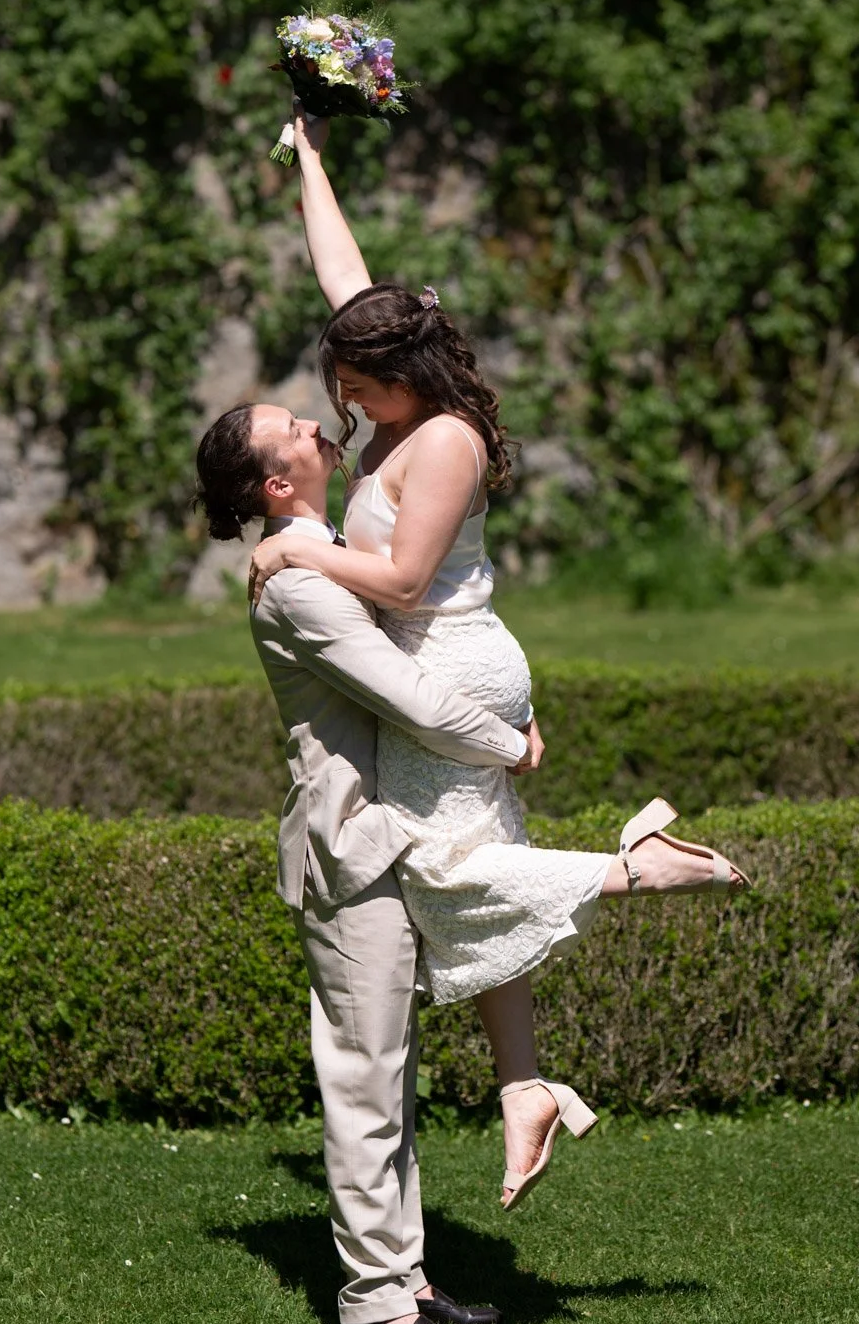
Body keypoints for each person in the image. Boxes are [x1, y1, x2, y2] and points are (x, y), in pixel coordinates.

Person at [247, 106, 751, 1213]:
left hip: (449, 664)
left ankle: (638, 867)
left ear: (400, 374)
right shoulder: (397, 390)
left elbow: (404, 586)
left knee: (439, 872)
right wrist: (311, 158)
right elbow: (342, 273)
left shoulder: (443, 440)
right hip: (443, 666)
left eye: (356, 390)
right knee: (469, 872)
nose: (346, 408)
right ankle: (522, 1084)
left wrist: (299, 548)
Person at [195, 400, 535, 1324]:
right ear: (274, 483)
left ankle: (407, 1276)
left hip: (386, 836)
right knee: (364, 1080)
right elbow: (408, 697)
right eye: (296, 425)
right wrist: (509, 741)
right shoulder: (301, 587)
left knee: (391, 1075)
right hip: (349, 849)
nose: (316, 420)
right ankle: (375, 1308)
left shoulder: (320, 549)